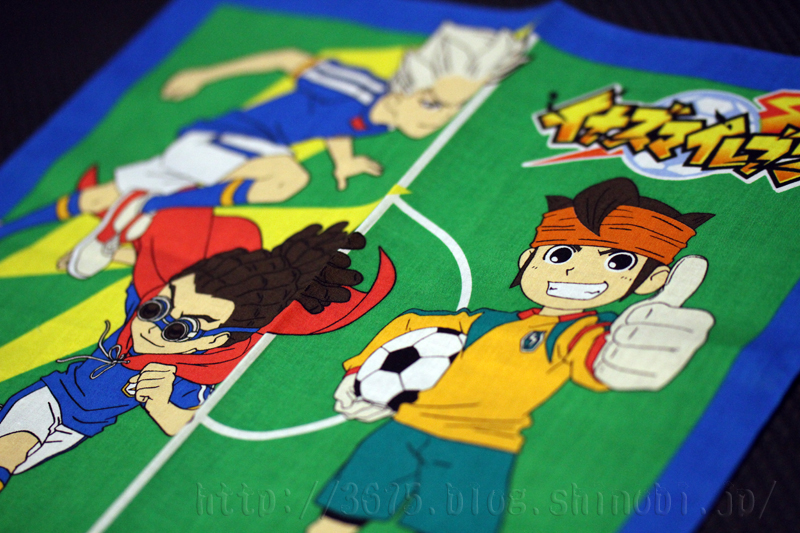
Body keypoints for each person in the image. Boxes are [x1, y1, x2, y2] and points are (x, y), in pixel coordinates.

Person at [306, 178, 715, 533]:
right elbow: (410, 323)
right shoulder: (488, 321)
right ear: (528, 259)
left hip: (479, 449)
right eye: (560, 255)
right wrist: (359, 373)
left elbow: (597, 358)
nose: (574, 271)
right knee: (338, 517)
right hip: (404, 428)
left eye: (617, 261)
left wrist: (629, 358)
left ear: (652, 280)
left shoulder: (578, 331)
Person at [0, 22, 532, 280]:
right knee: (288, 178)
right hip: (227, 140)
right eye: (434, 103)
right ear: (408, 86)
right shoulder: (358, 85)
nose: (437, 118)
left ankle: (20, 226)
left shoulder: (376, 114)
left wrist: (343, 159)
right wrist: (204, 73)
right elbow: (287, 56)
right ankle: (146, 209)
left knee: (99, 194)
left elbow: (334, 122)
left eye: (449, 109)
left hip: (221, 150)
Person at [0, 207, 395, 493]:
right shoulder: (143, 303)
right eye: (157, 307)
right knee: (12, 447)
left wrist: (160, 404)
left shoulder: (195, 374)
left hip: (80, 428)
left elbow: (185, 427)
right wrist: (104, 253)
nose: (152, 326)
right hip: (51, 397)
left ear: (215, 340)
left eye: (178, 330)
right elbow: (149, 262)